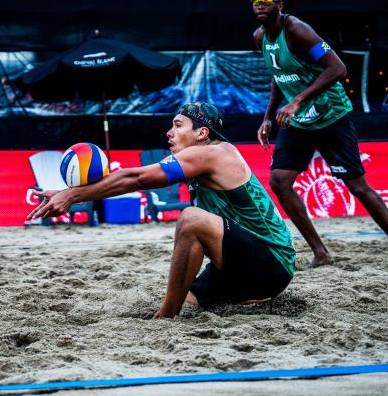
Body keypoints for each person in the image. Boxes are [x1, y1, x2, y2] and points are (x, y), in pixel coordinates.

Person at [28, 102, 297, 318]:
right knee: (189, 299)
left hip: (272, 263)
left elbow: (137, 179)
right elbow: (132, 176)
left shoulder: (215, 153)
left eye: (178, 125)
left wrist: (72, 195)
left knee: (191, 219)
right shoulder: (198, 158)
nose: (169, 132)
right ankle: (249, 298)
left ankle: (165, 318)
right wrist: (68, 192)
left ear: (202, 133)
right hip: (238, 264)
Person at [250, 0, 388, 268]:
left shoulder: (297, 30)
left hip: (331, 115)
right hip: (299, 120)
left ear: (280, 4)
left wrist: (297, 100)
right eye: (255, 1)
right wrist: (267, 116)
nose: (260, 4)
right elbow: (278, 75)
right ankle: (321, 252)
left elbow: (337, 68)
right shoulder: (260, 37)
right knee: (279, 181)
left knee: (357, 185)